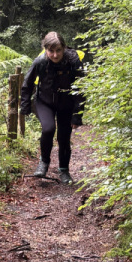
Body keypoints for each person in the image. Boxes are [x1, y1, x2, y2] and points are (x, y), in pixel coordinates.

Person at [20, 31, 85, 183]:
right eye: (51, 51)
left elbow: (81, 88)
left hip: (67, 103)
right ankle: (43, 162)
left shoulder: (73, 61)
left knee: (64, 136)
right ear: (45, 49)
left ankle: (64, 170)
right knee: (48, 129)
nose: (55, 55)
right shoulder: (40, 62)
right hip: (44, 101)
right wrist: (25, 106)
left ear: (64, 48)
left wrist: (77, 115)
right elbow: (27, 85)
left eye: (58, 50)